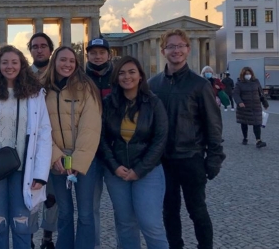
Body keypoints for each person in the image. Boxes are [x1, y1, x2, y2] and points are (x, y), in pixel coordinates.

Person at [0, 45, 52, 249]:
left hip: (25, 168)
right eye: (5, 62)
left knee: (21, 223)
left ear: (22, 65)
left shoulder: (35, 94)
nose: (10, 66)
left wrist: (41, 174)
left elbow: (43, 133)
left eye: (14, 62)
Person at [148, 29, 225, 249]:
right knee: (169, 211)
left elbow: (213, 125)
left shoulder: (199, 85)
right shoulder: (154, 85)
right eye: (171, 46)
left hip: (191, 158)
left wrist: (214, 158)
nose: (176, 50)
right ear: (163, 51)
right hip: (163, 161)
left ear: (188, 49)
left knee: (197, 210)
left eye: (180, 46)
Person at [100, 56, 168, 249]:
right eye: (121, 73)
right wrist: (114, 167)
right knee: (125, 224)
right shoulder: (108, 103)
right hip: (117, 172)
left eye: (131, 72)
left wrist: (140, 169)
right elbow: (102, 138)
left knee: (151, 224)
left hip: (148, 171)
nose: (126, 77)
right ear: (116, 78)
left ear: (140, 76)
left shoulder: (154, 103)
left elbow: (160, 140)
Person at [41, 45, 102, 249]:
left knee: (86, 213)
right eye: (63, 60)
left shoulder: (86, 87)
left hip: (84, 158)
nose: (67, 64)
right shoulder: (43, 89)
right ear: (54, 62)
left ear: (76, 64)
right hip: (57, 159)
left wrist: (77, 160)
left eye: (71, 60)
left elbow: (91, 126)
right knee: (64, 212)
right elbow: (40, 127)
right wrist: (54, 157)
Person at [27, 32, 57, 249]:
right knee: (30, 193)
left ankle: (48, 236)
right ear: (30, 50)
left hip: (56, 143)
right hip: (30, 145)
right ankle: (27, 237)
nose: (39, 50)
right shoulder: (23, 75)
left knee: (52, 196)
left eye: (43, 46)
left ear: (50, 49)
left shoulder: (62, 73)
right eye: (35, 46)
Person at [85, 36, 112, 249]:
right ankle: (92, 245)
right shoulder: (80, 78)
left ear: (108, 55)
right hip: (90, 151)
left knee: (124, 208)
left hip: (116, 150)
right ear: (87, 55)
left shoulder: (121, 76)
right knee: (90, 206)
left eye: (101, 52)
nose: (97, 56)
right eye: (93, 52)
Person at [232, 66, 269, 148]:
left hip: (256, 107)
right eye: (246, 74)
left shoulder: (256, 82)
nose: (248, 75)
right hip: (244, 107)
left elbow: (261, 93)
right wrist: (239, 102)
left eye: (249, 73)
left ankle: (258, 141)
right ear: (242, 74)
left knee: (257, 123)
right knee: (244, 123)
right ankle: (245, 138)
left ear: (252, 74)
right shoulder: (239, 83)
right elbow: (235, 94)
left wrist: (265, 103)